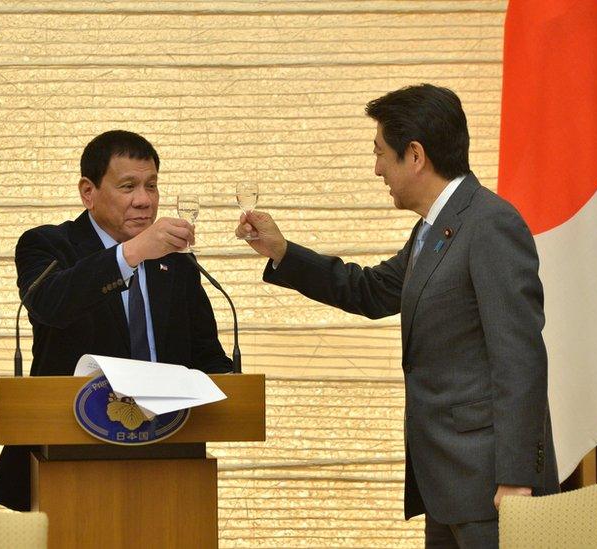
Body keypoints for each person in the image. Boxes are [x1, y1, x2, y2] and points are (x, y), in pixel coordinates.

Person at [236, 84, 559, 548]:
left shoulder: (490, 224)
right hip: (446, 483)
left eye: (380, 154)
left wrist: (515, 478)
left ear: (415, 155)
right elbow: (370, 290)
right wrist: (282, 251)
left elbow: (520, 358)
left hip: (493, 487)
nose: (376, 169)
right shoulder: (434, 229)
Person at [0, 129, 233, 511]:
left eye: (152, 185)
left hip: (167, 459)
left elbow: (204, 353)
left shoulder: (176, 264)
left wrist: (231, 385)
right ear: (88, 192)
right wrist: (129, 254)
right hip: (64, 460)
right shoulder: (49, 245)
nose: (144, 201)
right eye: (128, 186)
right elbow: (49, 303)